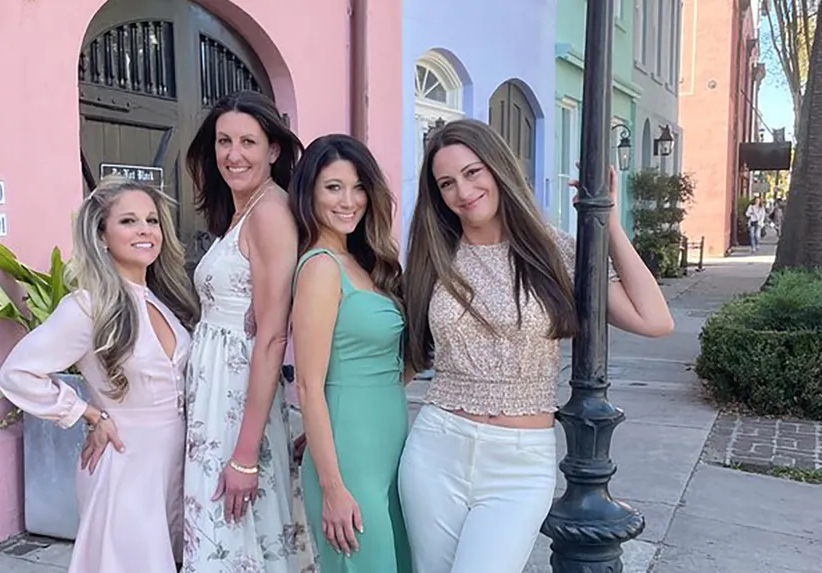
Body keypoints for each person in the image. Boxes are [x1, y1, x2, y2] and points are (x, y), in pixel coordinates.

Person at [399, 118, 674, 573]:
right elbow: (406, 357)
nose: (463, 192)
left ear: (498, 168)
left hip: (519, 461)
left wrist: (608, 223)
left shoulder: (555, 252)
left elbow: (654, 319)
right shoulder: (434, 259)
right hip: (437, 447)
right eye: (446, 183)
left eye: (472, 172)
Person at [0, 176, 199, 572]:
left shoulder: (163, 299)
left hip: (176, 465)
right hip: (126, 465)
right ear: (102, 236)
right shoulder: (88, 307)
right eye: (128, 221)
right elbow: (16, 372)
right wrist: (88, 414)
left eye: (152, 220)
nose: (145, 230)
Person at [182, 90, 316, 572]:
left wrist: (243, 456)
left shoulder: (270, 213)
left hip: (238, 399)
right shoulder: (242, 211)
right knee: (232, 533)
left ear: (273, 150)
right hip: (216, 395)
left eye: (247, 142)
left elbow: (272, 337)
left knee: (236, 527)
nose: (233, 155)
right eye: (223, 141)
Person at [289, 134, 412, 572]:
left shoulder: (367, 263)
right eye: (333, 187)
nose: (349, 200)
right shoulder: (321, 268)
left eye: (358, 186)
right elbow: (308, 385)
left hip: (389, 444)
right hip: (350, 456)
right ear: (309, 193)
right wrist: (333, 487)